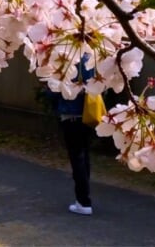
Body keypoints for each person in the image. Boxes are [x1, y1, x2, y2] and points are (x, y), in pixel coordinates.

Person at [50, 54, 95, 216]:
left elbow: (55, 90)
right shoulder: (91, 58)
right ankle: (84, 197)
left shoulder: (65, 59)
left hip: (70, 114)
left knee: (77, 158)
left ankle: (83, 201)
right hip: (88, 114)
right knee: (84, 156)